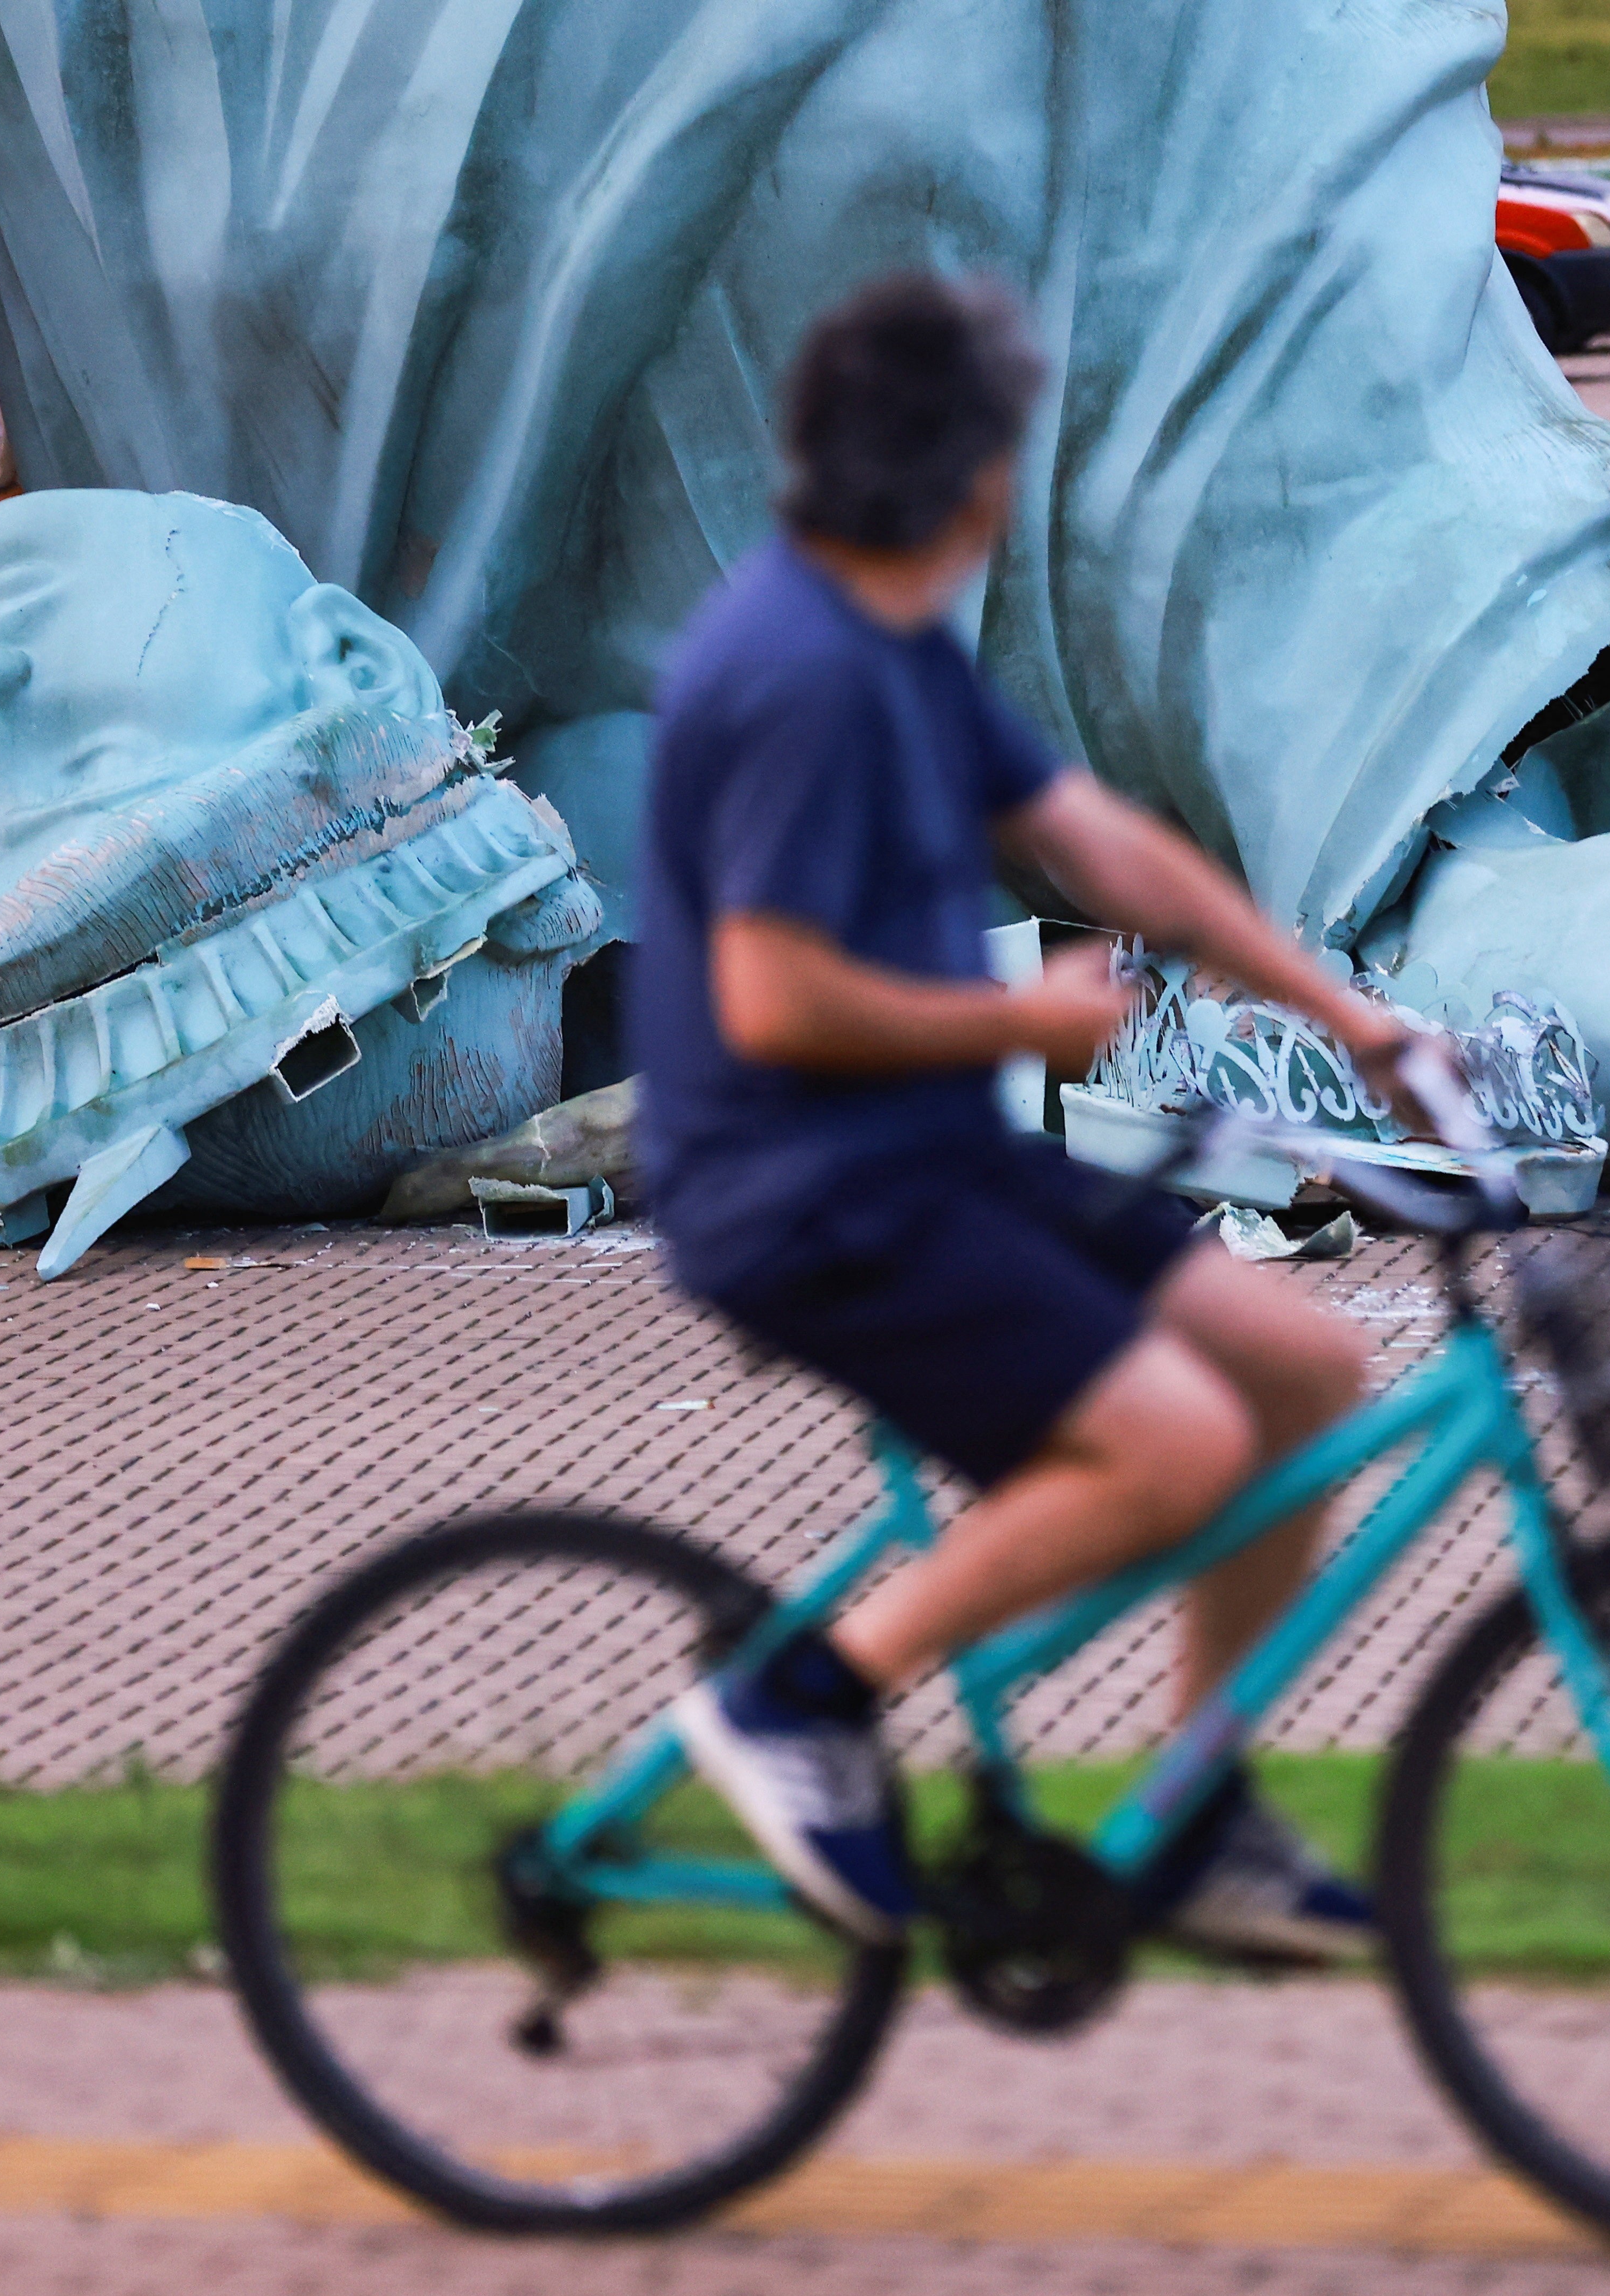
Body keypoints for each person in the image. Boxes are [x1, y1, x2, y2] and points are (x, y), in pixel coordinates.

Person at [638, 275, 1422, 1958]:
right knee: (1175, 1440)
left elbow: (1104, 846)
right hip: (800, 1187)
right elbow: (772, 1000)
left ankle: (1198, 1809)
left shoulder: (896, 644)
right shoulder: (796, 672)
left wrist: (1348, 1010)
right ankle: (801, 1696)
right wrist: (1030, 1014)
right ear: (973, 471)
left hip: (930, 1153)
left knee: (1303, 1370)